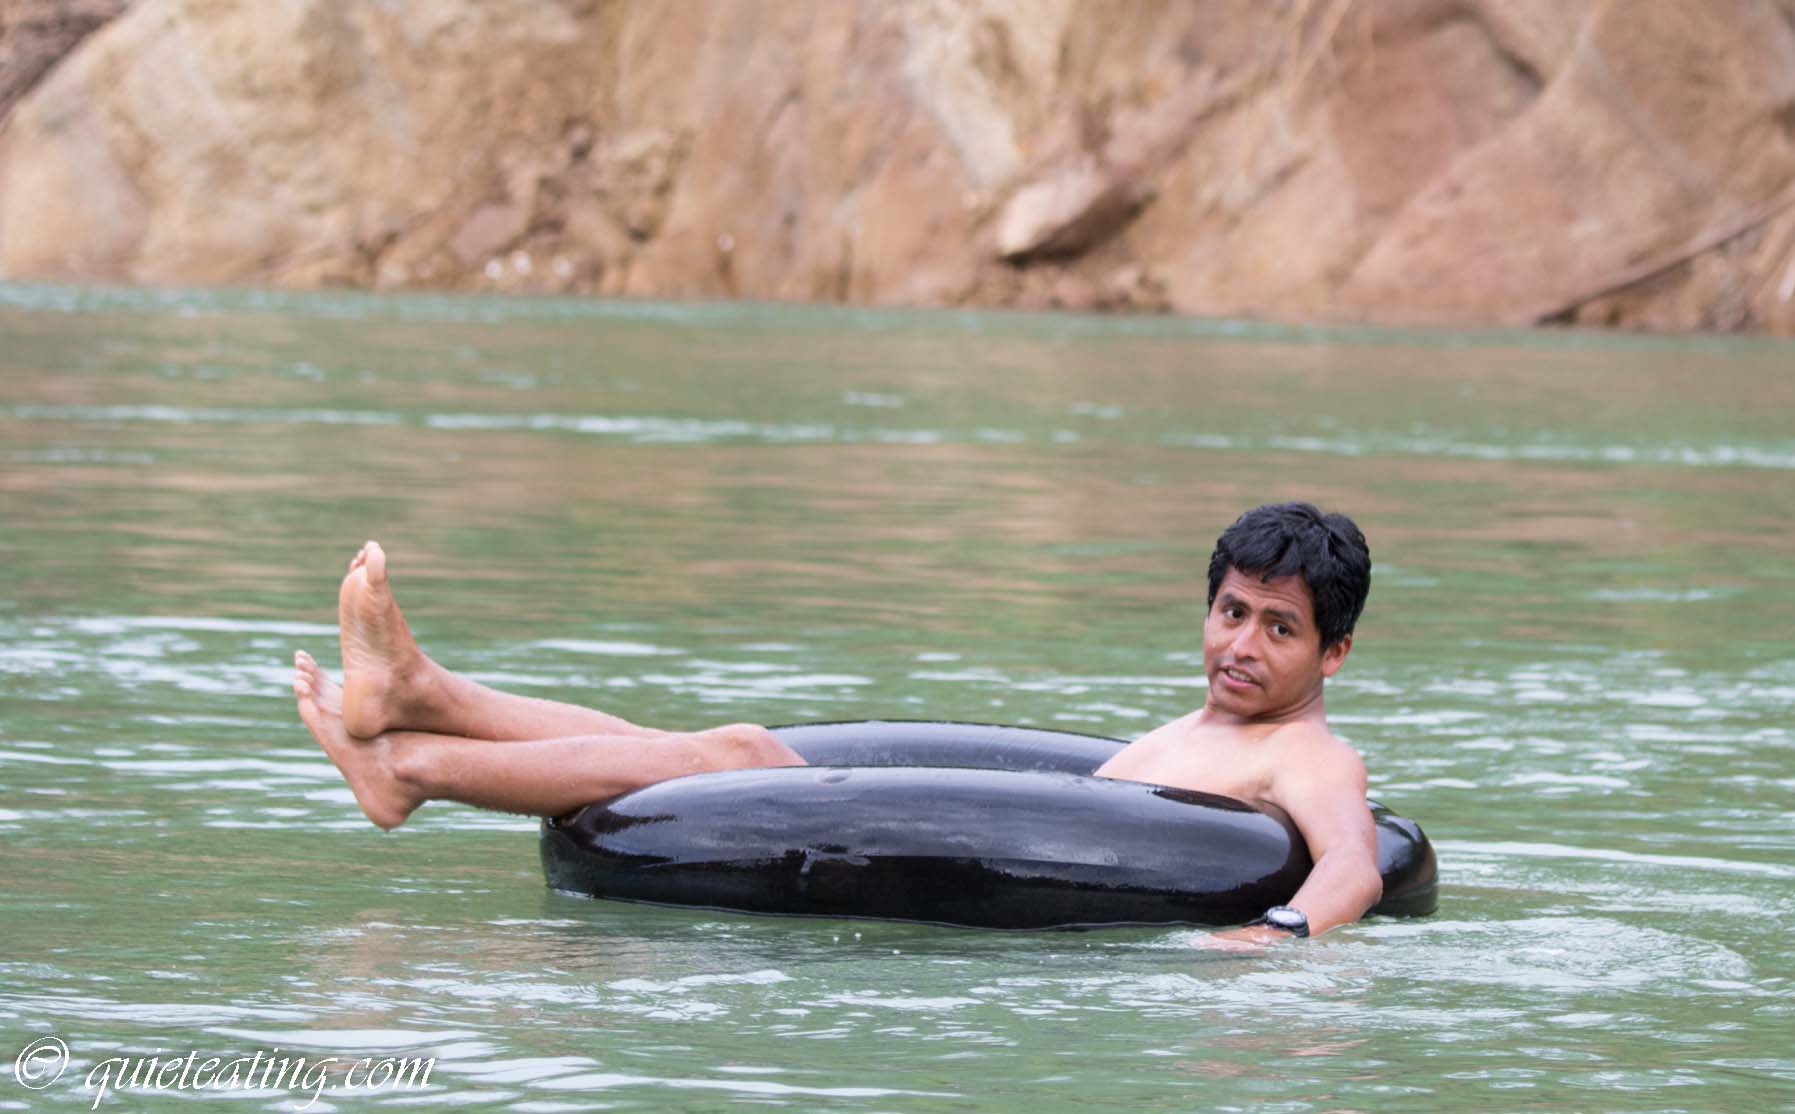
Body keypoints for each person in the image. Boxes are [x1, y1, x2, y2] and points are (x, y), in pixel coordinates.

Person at [295, 502, 1381, 945]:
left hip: (1115, 907)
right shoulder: (1208, 728)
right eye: (1230, 612)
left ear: (1330, 653)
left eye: (1278, 628)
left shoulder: (1309, 753)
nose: (1242, 643)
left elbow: (1352, 862)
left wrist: (1277, 937)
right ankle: (424, 697)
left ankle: (417, 764)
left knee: (730, 754)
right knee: (687, 755)